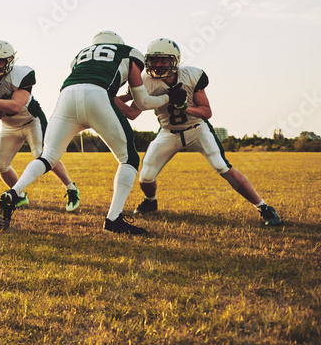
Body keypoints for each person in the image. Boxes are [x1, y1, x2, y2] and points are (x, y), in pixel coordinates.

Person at [0, 31, 180, 234]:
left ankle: (14, 192)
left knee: (48, 156)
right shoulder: (128, 52)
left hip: (66, 95)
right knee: (128, 159)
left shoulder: (81, 55)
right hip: (97, 94)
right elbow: (143, 102)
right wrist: (168, 98)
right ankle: (113, 220)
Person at [116, 38, 282, 226]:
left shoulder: (191, 76)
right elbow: (132, 112)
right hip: (168, 132)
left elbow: (206, 112)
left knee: (222, 167)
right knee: (146, 176)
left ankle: (264, 207)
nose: (159, 64)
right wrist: (109, 95)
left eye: (164, 60)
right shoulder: (146, 81)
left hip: (197, 129)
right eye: (155, 60)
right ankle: (150, 201)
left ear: (175, 61)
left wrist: (184, 107)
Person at [0, 40, 79, 211]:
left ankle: (71, 188)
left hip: (31, 121)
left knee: (42, 155)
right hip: (8, 126)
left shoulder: (22, 73)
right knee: (0, 165)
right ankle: (19, 196)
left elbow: (15, 106)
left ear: (10, 61)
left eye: (0, 61)